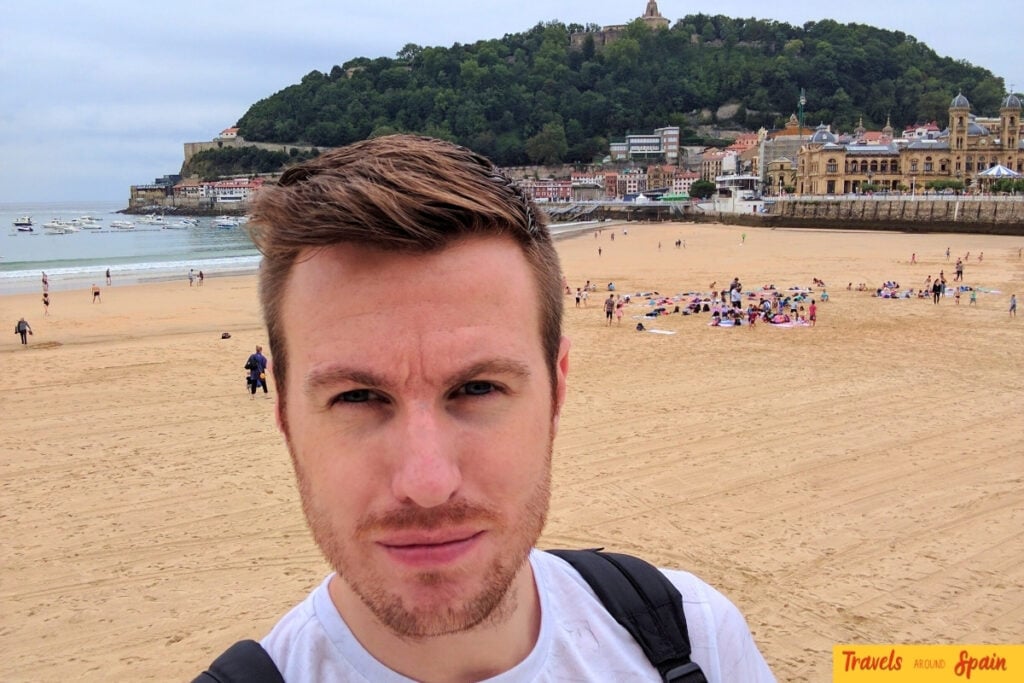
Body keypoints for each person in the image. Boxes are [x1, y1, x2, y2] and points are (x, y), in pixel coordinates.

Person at [197, 135, 773, 681]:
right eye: (356, 397)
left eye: (477, 389)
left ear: (557, 389)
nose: (427, 483)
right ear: (284, 414)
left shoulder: (697, 638)